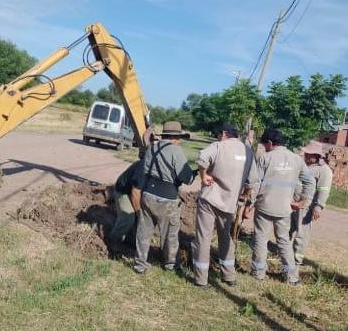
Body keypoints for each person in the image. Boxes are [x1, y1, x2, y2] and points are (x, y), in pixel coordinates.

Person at [244, 129, 315, 285]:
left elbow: (255, 185)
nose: (265, 147)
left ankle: (259, 273)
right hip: (284, 209)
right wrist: (303, 202)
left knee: (260, 239)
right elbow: (311, 182)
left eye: (265, 144)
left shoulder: (265, 158)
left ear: (270, 143)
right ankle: (292, 277)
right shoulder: (297, 160)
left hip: (264, 207)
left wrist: (248, 205)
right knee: (283, 241)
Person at [192, 124, 260, 287]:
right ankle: (229, 276)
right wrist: (243, 197)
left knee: (203, 237)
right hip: (229, 204)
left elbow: (202, 159)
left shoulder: (218, 146)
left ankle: (201, 279)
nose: (217, 137)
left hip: (209, 199)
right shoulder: (248, 152)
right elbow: (252, 182)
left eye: (218, 134)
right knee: (225, 238)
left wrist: (204, 176)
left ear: (224, 134)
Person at [133, 121, 195, 273]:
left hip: (147, 194)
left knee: (144, 231)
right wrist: (195, 173)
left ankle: (140, 264)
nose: (180, 141)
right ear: (175, 137)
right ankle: (170, 264)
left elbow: (146, 170)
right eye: (179, 137)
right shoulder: (176, 151)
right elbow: (187, 178)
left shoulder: (152, 148)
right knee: (170, 234)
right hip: (167, 198)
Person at [291, 140, 333, 265]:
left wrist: (318, 207)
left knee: (301, 233)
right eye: (306, 154)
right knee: (287, 229)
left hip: (306, 207)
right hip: (292, 202)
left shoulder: (324, 171)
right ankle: (285, 253)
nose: (307, 156)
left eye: (310, 154)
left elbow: (324, 190)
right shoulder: (302, 164)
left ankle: (296, 259)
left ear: (317, 155)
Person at [109, 160, 141, 246]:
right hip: (123, 191)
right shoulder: (143, 167)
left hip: (137, 192)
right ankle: (113, 242)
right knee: (128, 216)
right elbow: (135, 193)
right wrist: (138, 212)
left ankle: (132, 240)